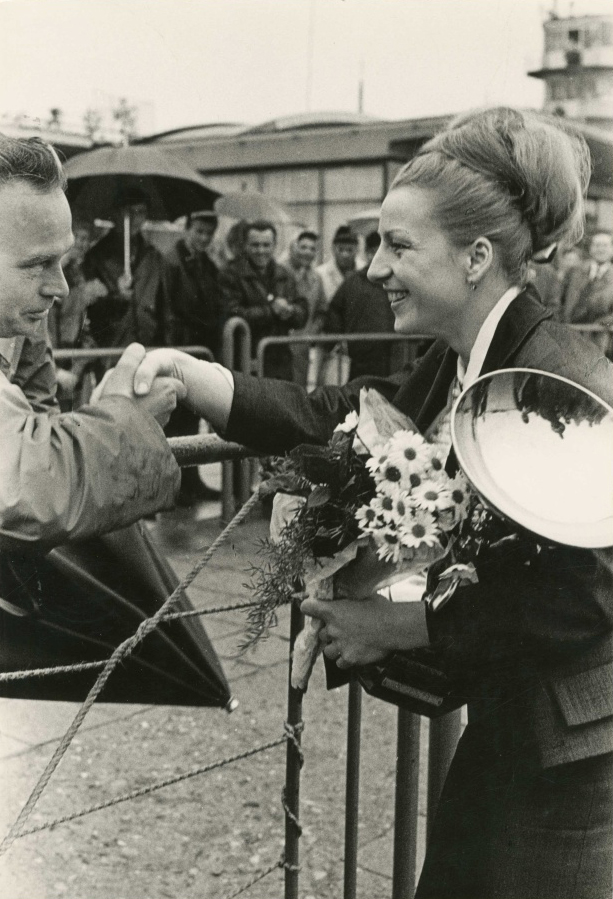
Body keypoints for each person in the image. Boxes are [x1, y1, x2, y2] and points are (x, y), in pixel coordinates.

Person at [134, 107, 613, 898]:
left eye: (398, 246)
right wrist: (194, 378)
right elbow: (352, 419)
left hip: (566, 756)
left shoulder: (553, 381)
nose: (372, 270)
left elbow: (589, 587)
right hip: (522, 725)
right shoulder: (470, 355)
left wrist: (401, 622)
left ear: (475, 256)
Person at [0, 133, 184, 548]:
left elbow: (37, 411)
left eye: (62, 260)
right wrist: (126, 419)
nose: (61, 287)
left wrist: (96, 420)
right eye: (38, 264)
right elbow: (22, 492)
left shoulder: (18, 316)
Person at [162, 210, 226, 504]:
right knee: (175, 421)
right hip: (179, 346)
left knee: (191, 418)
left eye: (208, 234)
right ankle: (175, 486)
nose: (203, 238)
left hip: (198, 347)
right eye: (198, 232)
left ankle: (191, 481)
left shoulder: (207, 265)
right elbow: (167, 309)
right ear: (186, 228)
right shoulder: (172, 262)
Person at [219, 219, 307, 380]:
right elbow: (230, 312)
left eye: (266, 245)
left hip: (280, 361)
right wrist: (271, 311)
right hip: (246, 361)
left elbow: (302, 312)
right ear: (245, 245)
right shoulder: (230, 274)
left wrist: (291, 311)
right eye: (255, 245)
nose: (261, 251)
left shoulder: (285, 274)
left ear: (274, 245)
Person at [85, 187, 169, 350]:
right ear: (116, 214)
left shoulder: (153, 256)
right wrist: (117, 295)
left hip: (148, 343)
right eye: (128, 212)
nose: (135, 219)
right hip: (111, 345)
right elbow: (88, 309)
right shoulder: (96, 256)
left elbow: (164, 306)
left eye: (141, 212)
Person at [47, 220, 107, 410]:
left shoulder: (80, 273)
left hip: (72, 365)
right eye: (77, 236)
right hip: (51, 364)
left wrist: (77, 368)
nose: (81, 243)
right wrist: (55, 371)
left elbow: (84, 326)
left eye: (86, 239)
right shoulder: (48, 272)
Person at [324, 231, 399, 379]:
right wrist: (337, 341)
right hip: (360, 357)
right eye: (372, 252)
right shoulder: (353, 281)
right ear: (366, 253)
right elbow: (334, 312)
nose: (376, 257)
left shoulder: (399, 280)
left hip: (392, 356)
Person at [280, 229, 327, 389]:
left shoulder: (316, 278)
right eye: (303, 247)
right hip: (279, 345)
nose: (307, 252)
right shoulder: (279, 272)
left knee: (299, 392)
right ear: (293, 247)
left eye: (312, 248)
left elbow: (322, 310)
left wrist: (312, 333)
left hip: (302, 348)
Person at [561, 231, 613, 355]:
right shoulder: (574, 272)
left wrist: (605, 323)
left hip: (600, 340)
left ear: (612, 249)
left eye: (605, 245)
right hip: (570, 335)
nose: (600, 249)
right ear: (590, 248)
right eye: (596, 245)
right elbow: (560, 300)